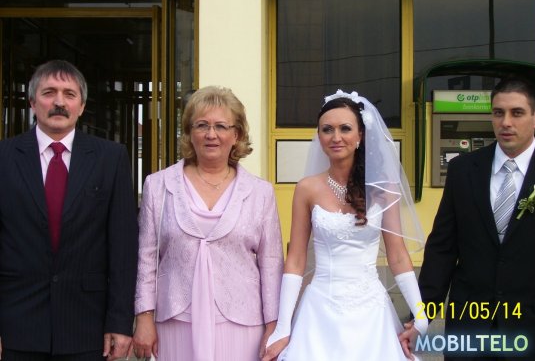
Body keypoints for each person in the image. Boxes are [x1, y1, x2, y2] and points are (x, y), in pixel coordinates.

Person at [262, 90, 426, 361]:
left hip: (371, 311)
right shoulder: (307, 188)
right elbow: (296, 259)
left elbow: (397, 254)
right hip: (320, 309)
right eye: (327, 129)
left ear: (360, 135)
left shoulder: (383, 190)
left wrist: (420, 315)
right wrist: (283, 326)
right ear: (319, 136)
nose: (335, 137)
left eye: (345, 128)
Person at [0, 60, 138, 360]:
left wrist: (120, 322)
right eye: (49, 92)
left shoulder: (110, 158)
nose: (59, 102)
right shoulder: (4, 158)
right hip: (17, 323)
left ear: (82, 105)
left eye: (69, 94)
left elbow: (123, 248)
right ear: (32, 102)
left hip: (87, 326)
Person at [133, 86, 284, 361]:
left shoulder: (260, 192)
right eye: (201, 125)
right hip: (176, 320)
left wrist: (274, 326)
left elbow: (271, 264)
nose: (211, 134)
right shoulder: (158, 185)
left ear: (236, 134)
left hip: (241, 321)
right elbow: (146, 258)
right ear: (189, 133)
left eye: (221, 126)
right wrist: (144, 316)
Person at [418, 76, 535, 360]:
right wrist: (422, 316)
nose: (506, 122)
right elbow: (442, 248)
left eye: (517, 113)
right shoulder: (463, 170)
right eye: (498, 113)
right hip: (469, 325)